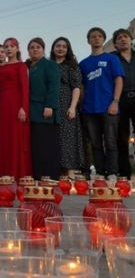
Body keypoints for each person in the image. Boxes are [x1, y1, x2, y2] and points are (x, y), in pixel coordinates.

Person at [79, 27, 124, 181]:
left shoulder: (112, 59)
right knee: (95, 144)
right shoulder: (84, 64)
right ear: (88, 40)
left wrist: (115, 101)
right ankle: (99, 172)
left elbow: (118, 80)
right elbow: (82, 87)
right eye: (93, 36)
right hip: (90, 109)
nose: (96, 38)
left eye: (99, 36)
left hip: (109, 107)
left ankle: (112, 172)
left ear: (103, 39)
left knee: (111, 141)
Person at [0, 38, 32, 178]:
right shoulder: (0, 67)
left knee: (16, 137)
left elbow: (25, 88)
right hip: (2, 105)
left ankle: (16, 173)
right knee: (3, 138)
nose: (9, 49)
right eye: (6, 46)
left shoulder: (22, 66)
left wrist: (23, 108)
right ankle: (2, 173)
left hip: (16, 104)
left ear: (17, 49)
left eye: (12, 46)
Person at [50, 37, 85, 178]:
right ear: (53, 48)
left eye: (64, 46)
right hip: (52, 105)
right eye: (58, 45)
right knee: (55, 139)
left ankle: (70, 173)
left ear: (68, 49)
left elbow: (76, 87)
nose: (60, 48)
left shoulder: (72, 66)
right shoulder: (49, 65)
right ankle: (59, 172)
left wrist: (72, 107)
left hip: (67, 105)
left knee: (68, 139)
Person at [26, 37, 61, 180]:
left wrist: (50, 105)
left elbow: (53, 87)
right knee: (35, 146)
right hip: (30, 110)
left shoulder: (49, 65)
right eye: (32, 47)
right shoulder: (27, 66)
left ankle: (49, 177)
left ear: (43, 49)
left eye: (38, 47)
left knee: (46, 146)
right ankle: (36, 176)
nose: (35, 49)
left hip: (44, 110)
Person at [112, 28, 135, 178]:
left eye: (125, 36)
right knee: (121, 138)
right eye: (119, 38)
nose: (123, 39)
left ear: (131, 39)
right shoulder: (112, 58)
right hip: (120, 99)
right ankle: (124, 175)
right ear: (115, 43)